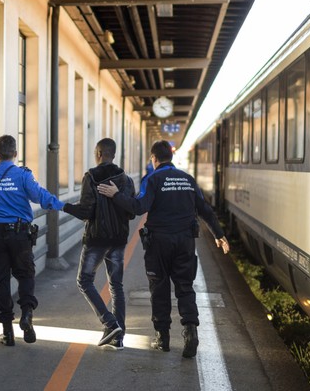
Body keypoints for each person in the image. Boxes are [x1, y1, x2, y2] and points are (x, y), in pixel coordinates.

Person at [97, 139, 229, 358]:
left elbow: (139, 207)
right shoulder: (188, 179)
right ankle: (190, 332)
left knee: (159, 289)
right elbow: (205, 209)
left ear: (153, 158)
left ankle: (163, 339)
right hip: (185, 242)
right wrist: (219, 235)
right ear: (171, 157)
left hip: (159, 243)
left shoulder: (153, 179)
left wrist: (116, 195)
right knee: (185, 287)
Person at [0, 135, 65, 346]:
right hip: (20, 235)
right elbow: (40, 196)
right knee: (25, 274)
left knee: (1, 281)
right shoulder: (23, 176)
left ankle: (7, 332)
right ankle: (27, 313)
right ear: (15, 153)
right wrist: (63, 206)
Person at [62, 138, 136, 350]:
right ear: (114, 154)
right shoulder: (126, 180)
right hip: (119, 240)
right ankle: (118, 336)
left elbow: (86, 211)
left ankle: (109, 322)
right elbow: (131, 212)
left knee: (84, 280)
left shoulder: (91, 177)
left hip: (96, 240)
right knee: (116, 286)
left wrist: (66, 207)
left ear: (99, 153)